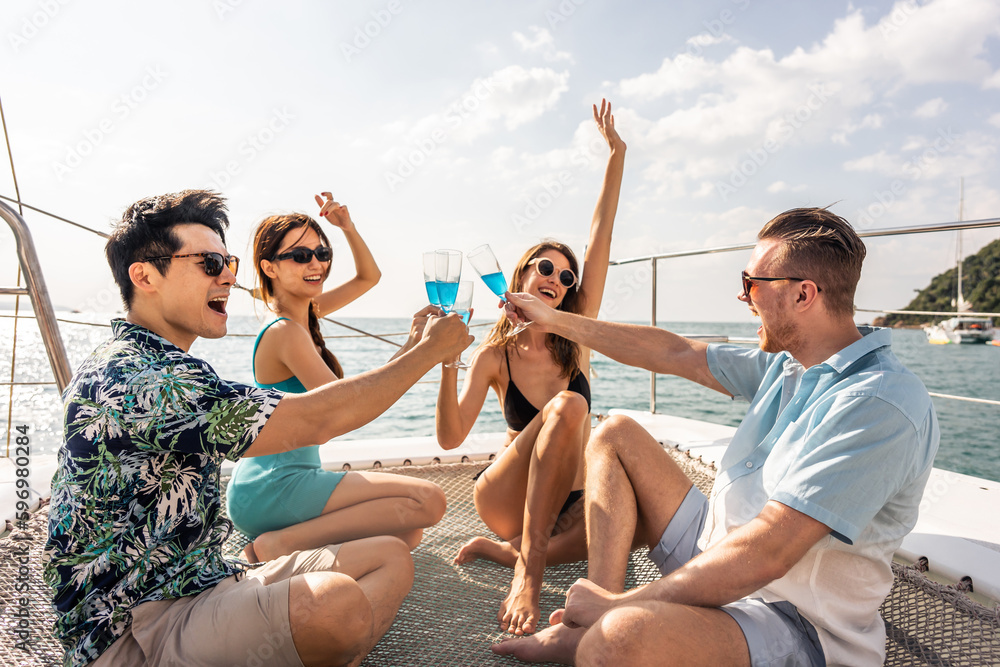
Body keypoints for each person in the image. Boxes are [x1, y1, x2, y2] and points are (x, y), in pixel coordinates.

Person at [42, 190, 470, 667]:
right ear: (144, 276)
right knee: (333, 604)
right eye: (208, 263)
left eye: (228, 262)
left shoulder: (163, 362)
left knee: (392, 554)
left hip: (203, 581)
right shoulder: (140, 377)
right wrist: (429, 353)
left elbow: (335, 399)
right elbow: (322, 416)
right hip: (135, 628)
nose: (228, 276)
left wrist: (418, 350)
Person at [494, 207, 939, 666]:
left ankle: (601, 623)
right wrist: (553, 320)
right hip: (715, 553)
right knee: (615, 434)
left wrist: (620, 609)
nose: (742, 296)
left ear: (804, 294)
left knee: (620, 638)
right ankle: (587, 623)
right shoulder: (790, 365)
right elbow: (674, 351)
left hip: (793, 618)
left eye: (752, 284)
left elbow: (770, 551)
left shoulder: (878, 403)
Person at [435, 99, 626, 636]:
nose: (557, 280)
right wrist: (449, 359)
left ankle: (511, 551)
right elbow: (451, 438)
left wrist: (617, 155)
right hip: (506, 492)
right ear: (523, 271)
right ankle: (528, 568)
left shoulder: (575, 334)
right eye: (546, 267)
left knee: (632, 526)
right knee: (569, 404)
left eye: (567, 279)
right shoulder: (493, 355)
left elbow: (601, 236)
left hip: (567, 494)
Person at [227, 193, 447, 563]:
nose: (315, 263)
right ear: (270, 268)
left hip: (277, 482)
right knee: (429, 500)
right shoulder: (285, 331)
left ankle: (290, 542)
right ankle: (276, 546)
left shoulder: (305, 314)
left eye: (322, 253)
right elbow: (346, 407)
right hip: (274, 484)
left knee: (407, 531)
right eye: (300, 256)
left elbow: (368, 277)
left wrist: (347, 228)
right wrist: (426, 352)